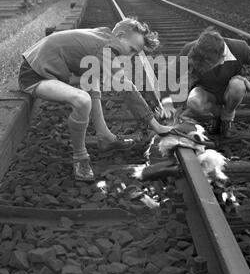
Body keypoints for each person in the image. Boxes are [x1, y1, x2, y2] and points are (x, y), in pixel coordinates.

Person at [18, 19, 172, 182]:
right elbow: (127, 88)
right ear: (119, 36)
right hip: (35, 75)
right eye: (131, 49)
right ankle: (80, 158)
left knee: (93, 79)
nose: (130, 55)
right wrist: (156, 125)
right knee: (82, 100)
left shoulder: (103, 36)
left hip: (39, 65)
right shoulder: (104, 49)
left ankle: (104, 136)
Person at [161, 28, 250, 137]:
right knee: (193, 102)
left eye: (207, 63)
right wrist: (167, 102)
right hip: (205, 91)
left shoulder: (239, 48)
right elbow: (170, 74)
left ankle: (227, 118)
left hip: (230, 91)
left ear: (222, 56)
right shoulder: (191, 49)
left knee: (238, 85)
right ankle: (218, 114)